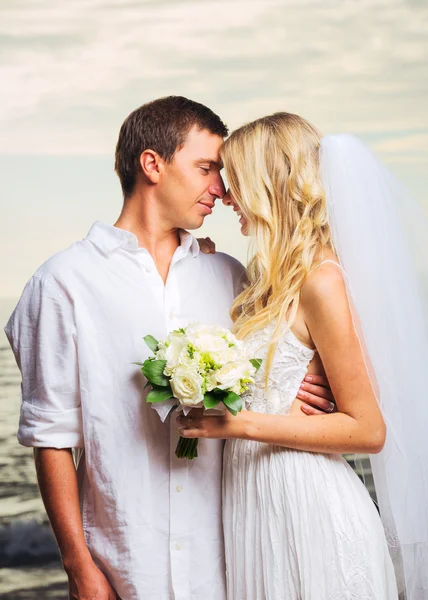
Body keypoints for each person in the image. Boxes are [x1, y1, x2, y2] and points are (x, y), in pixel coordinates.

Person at [4, 98, 332, 600]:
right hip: (127, 564)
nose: (221, 189)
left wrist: (294, 394)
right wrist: (79, 567)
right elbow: (51, 436)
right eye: (206, 168)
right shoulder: (62, 283)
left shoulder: (231, 277)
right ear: (152, 164)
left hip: (231, 562)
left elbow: (268, 380)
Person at [177, 113, 428, 599]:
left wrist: (239, 424)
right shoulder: (266, 281)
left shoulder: (323, 281)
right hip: (253, 506)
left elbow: (368, 431)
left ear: (270, 184)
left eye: (236, 180)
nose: (224, 195)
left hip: (308, 508)